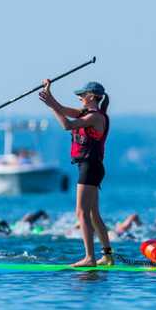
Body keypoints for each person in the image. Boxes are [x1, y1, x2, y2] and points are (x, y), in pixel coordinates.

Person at [40, 80, 114, 267]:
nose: (80, 98)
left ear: (91, 96)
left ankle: (90, 258)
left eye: (82, 95)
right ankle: (107, 256)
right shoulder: (86, 113)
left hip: (90, 167)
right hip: (89, 167)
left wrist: (51, 105)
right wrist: (49, 94)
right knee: (93, 214)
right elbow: (63, 110)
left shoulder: (96, 117)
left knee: (81, 212)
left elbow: (66, 125)